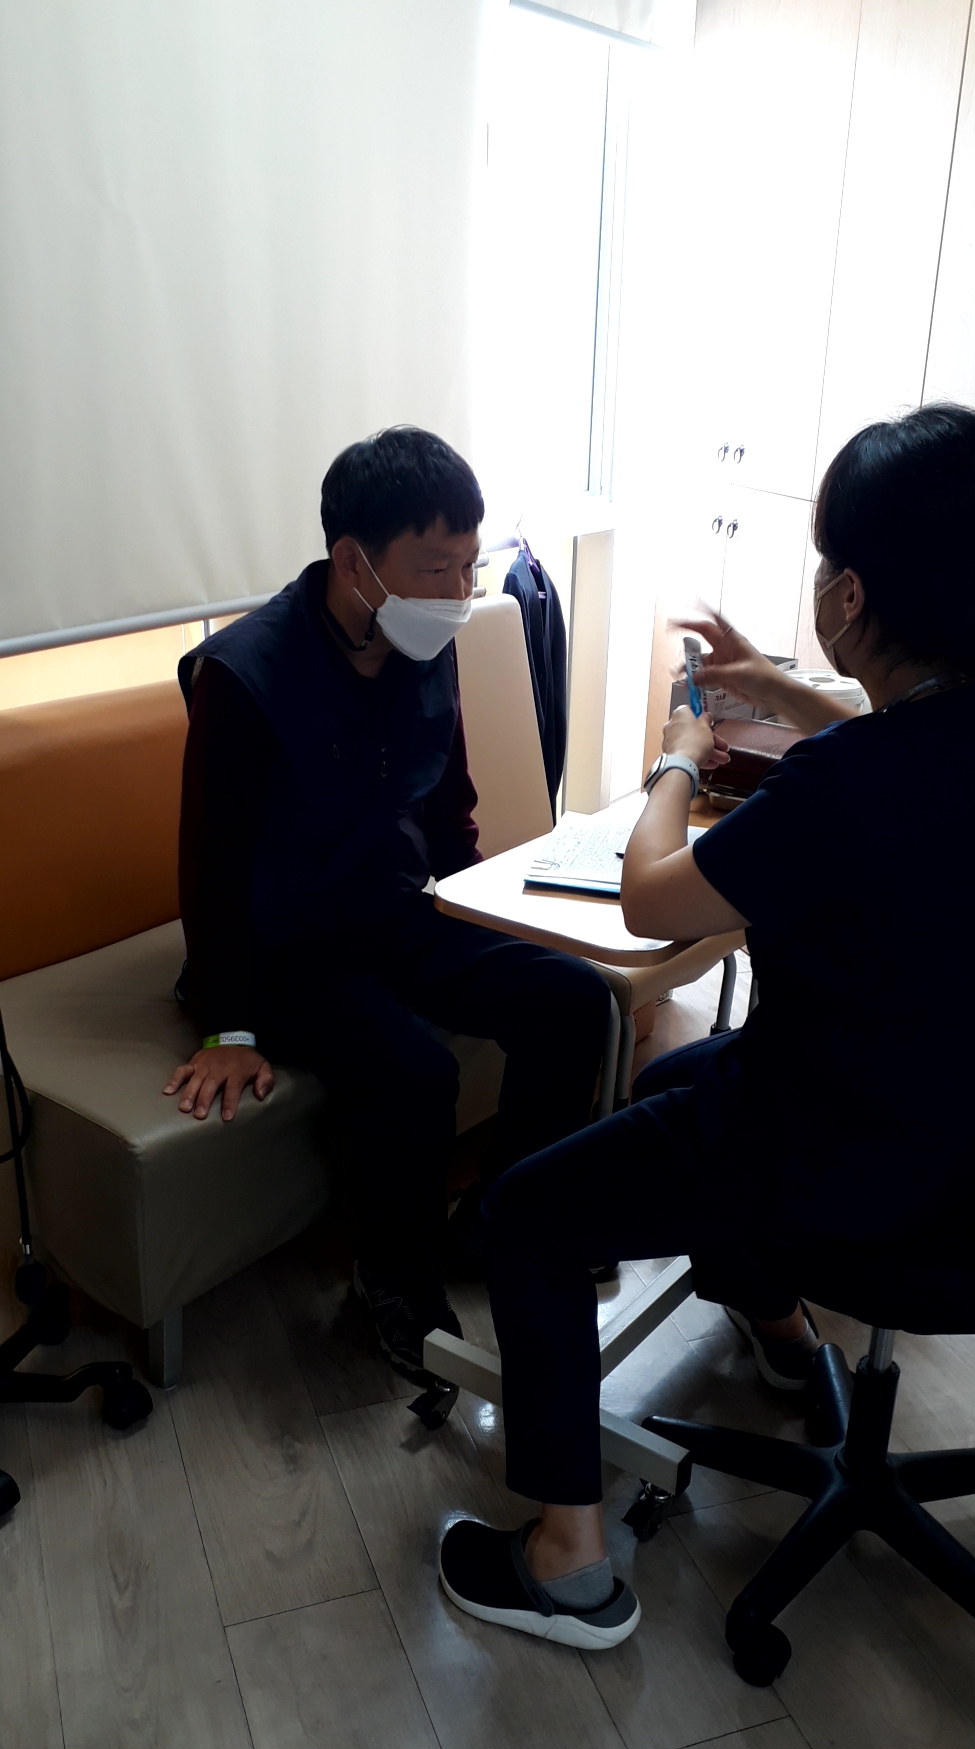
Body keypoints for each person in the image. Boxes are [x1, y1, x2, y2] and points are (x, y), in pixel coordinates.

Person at [438, 403, 975, 1649]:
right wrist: (773, 686)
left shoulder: (840, 788)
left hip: (823, 1152)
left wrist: (678, 755)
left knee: (528, 1218)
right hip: (936, 1130)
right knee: (672, 1081)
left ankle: (569, 1565)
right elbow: (900, 755)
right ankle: (783, 1337)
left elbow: (649, 899)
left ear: (849, 592)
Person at [164, 426, 611, 1386]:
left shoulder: (421, 639)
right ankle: (395, 1283)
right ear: (353, 563)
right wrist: (227, 1027)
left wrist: (489, 915)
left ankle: (505, 1222)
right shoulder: (245, 676)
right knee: (412, 1071)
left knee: (574, 998)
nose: (459, 591)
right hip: (286, 950)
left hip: (396, 911)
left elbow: (447, 801)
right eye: (434, 567)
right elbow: (210, 868)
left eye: (469, 564)